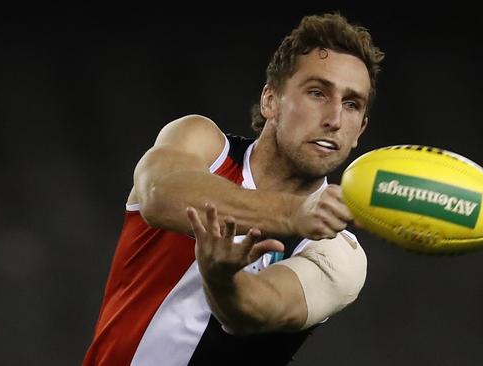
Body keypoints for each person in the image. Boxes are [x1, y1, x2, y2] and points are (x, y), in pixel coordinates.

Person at [83, 12, 384, 366]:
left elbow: (254, 311)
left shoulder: (339, 254)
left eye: (352, 104)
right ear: (270, 100)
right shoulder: (203, 145)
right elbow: (158, 194)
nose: (334, 119)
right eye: (317, 93)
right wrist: (292, 214)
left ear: (360, 130)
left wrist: (221, 280)